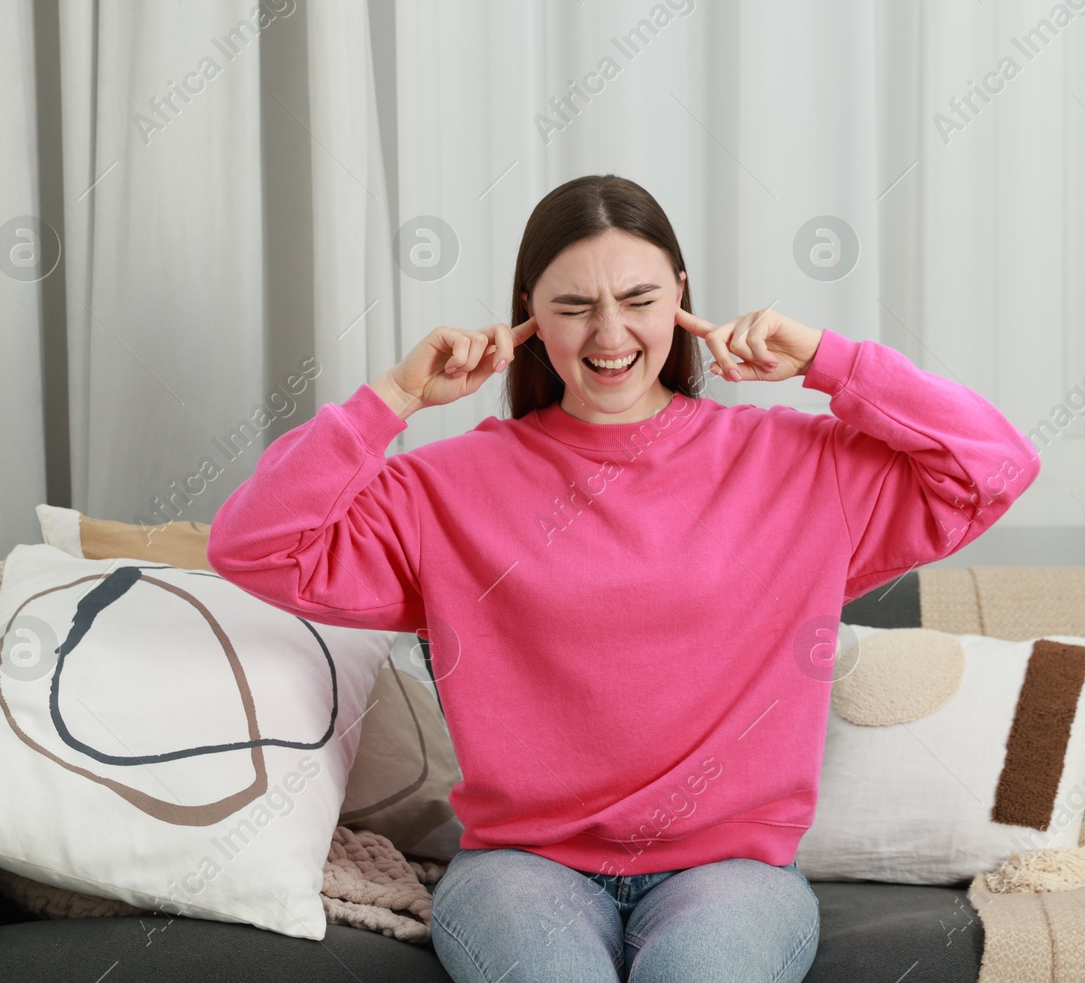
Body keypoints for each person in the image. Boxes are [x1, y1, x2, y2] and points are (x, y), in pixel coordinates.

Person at [206, 174, 1040, 982]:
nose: (610, 334)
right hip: (522, 870)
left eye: (639, 301)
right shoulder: (444, 488)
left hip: (730, 872)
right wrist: (392, 398)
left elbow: (994, 465)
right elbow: (255, 545)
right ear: (528, 312)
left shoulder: (796, 463)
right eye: (573, 307)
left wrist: (830, 359)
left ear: (680, 294)